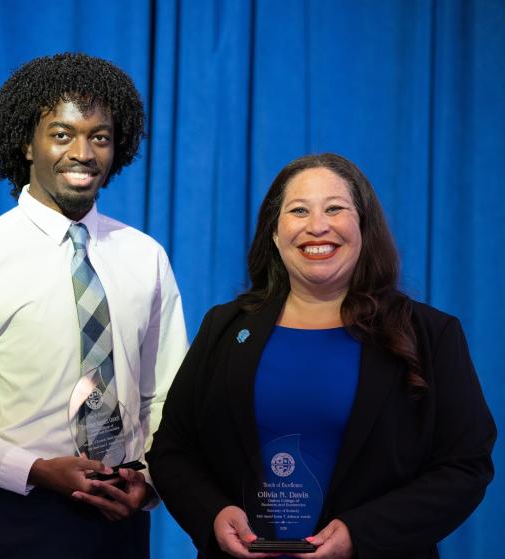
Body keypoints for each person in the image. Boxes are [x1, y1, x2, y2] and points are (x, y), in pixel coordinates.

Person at [0, 52, 187, 558]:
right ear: (27, 144)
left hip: (125, 517)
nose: (84, 152)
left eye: (100, 136)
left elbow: (167, 399)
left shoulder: (146, 257)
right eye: (62, 133)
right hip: (26, 517)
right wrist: (34, 470)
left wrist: (151, 482)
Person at [146, 153, 496, 559]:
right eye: (298, 211)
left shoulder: (431, 335)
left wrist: (361, 534)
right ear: (275, 234)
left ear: (363, 226)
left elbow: (465, 466)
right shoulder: (224, 327)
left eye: (335, 209)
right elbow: (173, 449)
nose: (317, 226)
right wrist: (212, 514)